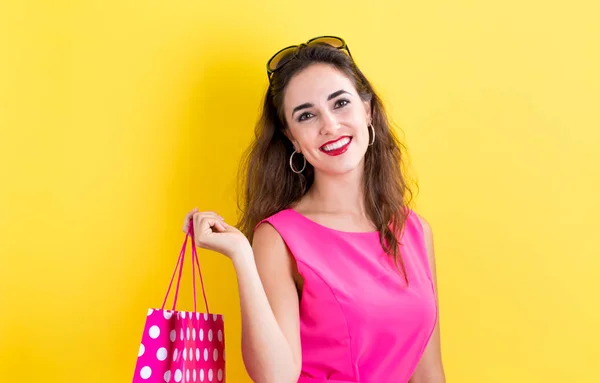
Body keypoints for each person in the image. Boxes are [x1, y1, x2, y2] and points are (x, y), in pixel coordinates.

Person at [182, 36, 445, 383]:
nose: (329, 126)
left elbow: (428, 374)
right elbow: (276, 378)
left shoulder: (414, 230)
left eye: (340, 103)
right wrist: (241, 256)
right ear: (292, 138)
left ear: (367, 110)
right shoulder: (278, 236)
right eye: (307, 115)